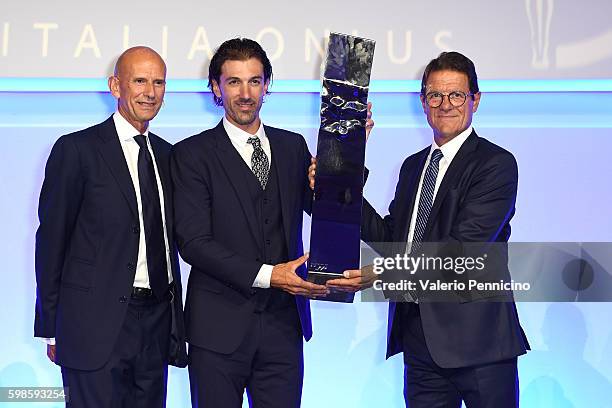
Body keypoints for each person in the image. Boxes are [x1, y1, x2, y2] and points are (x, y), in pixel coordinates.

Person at [311, 51, 530, 407]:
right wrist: (338, 177)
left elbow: (463, 249)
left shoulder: (495, 164)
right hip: (419, 340)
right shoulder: (414, 167)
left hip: (480, 344)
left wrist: (380, 274)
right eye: (435, 95)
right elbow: (390, 240)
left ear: (475, 100)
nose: (445, 104)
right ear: (423, 102)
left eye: (456, 94)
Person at [172, 37, 368, 407]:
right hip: (217, 332)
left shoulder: (292, 147)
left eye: (255, 81)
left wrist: (348, 152)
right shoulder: (191, 155)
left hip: (283, 328)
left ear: (267, 85)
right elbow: (194, 243)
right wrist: (270, 275)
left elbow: (332, 211)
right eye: (233, 82)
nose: (245, 93)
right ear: (216, 87)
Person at [34, 46, 187, 408]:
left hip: (156, 324)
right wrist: (50, 327)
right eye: (139, 81)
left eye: (158, 82)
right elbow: (51, 242)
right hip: (92, 326)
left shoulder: (169, 156)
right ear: (115, 86)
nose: (150, 92)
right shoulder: (77, 150)